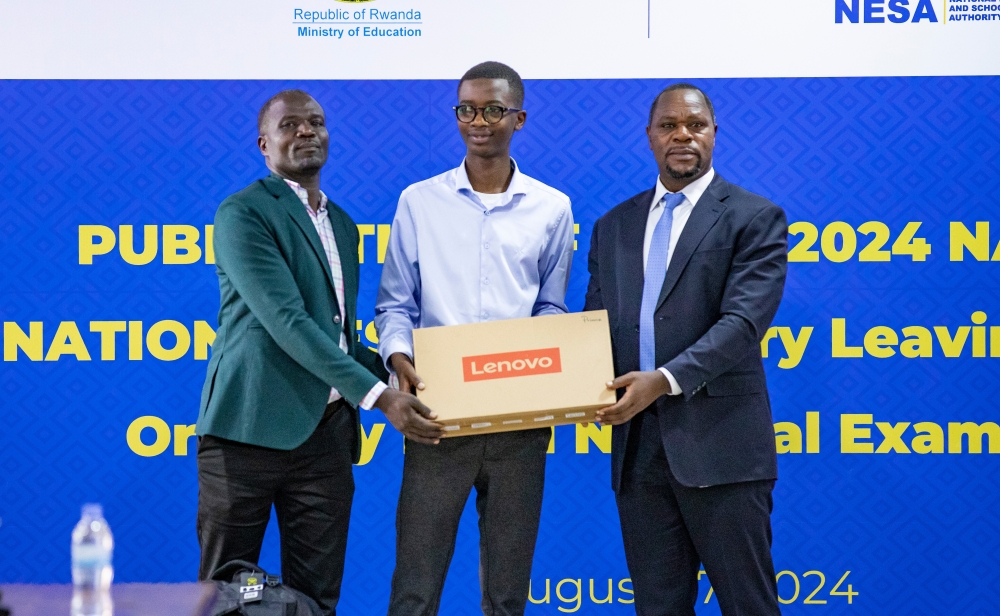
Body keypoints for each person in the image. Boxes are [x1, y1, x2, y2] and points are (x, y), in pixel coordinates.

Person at [194, 89, 444, 616]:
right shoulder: (243, 213)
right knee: (224, 596)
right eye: (290, 125)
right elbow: (287, 322)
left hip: (325, 438)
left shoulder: (344, 225)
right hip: (246, 430)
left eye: (316, 122)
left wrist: (414, 378)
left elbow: (341, 338)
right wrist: (381, 397)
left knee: (316, 599)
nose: (306, 131)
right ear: (264, 144)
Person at [374, 62, 575, 616]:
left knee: (508, 595)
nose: (478, 121)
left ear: (519, 118)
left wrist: (544, 366)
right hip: (436, 418)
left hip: (520, 424)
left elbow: (550, 305)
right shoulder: (419, 201)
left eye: (492, 110)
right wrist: (398, 357)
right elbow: (395, 303)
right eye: (466, 109)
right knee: (414, 590)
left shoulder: (553, 207)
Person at [585, 83, 787, 616]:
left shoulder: (753, 217)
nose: (682, 135)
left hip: (722, 448)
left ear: (714, 135)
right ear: (649, 137)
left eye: (695, 125)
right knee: (657, 607)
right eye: (669, 125)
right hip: (638, 450)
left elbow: (743, 324)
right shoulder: (612, 226)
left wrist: (664, 379)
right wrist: (576, 386)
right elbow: (595, 329)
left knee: (749, 604)